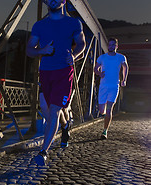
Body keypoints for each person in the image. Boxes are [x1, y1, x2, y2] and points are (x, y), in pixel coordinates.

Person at [27, 0, 86, 165]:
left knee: (54, 111)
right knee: (46, 109)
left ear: (64, 1)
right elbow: (29, 49)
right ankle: (65, 126)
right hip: (45, 72)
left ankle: (43, 152)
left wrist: (74, 55)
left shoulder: (73, 23)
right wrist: (42, 50)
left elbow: (82, 44)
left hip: (64, 72)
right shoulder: (39, 25)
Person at [94, 37, 129, 139]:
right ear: (107, 45)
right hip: (103, 86)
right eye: (109, 45)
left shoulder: (121, 57)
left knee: (109, 109)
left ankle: (105, 131)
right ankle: (104, 114)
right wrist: (99, 73)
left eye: (113, 45)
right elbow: (95, 69)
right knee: (102, 110)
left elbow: (125, 67)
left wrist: (124, 79)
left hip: (114, 86)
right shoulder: (102, 58)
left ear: (116, 46)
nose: (111, 46)